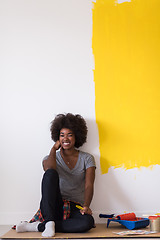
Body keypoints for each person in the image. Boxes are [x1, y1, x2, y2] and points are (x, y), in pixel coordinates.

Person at [16, 113, 96, 237]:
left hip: (75, 206)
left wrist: (86, 206)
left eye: (70, 135)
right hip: (53, 205)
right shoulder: (50, 158)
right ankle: (49, 222)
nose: (66, 139)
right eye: (62, 135)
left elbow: (89, 185)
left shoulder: (87, 158)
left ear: (77, 136)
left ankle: (38, 226)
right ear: (57, 138)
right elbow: (49, 170)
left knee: (88, 222)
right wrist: (54, 149)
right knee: (50, 174)